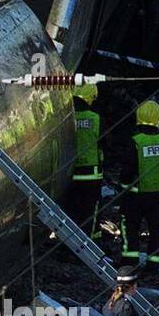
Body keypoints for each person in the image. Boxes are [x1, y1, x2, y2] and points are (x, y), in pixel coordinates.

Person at [118, 100, 159, 273]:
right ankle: (154, 264)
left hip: (135, 196)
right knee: (157, 229)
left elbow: (127, 171)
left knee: (130, 226)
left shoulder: (135, 142)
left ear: (138, 117)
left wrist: (124, 188)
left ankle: (129, 261)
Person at [67, 83, 104, 240]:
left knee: (71, 208)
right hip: (91, 173)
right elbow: (105, 142)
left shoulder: (66, 118)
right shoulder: (95, 118)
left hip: (69, 172)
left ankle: (69, 242)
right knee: (90, 209)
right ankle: (92, 241)